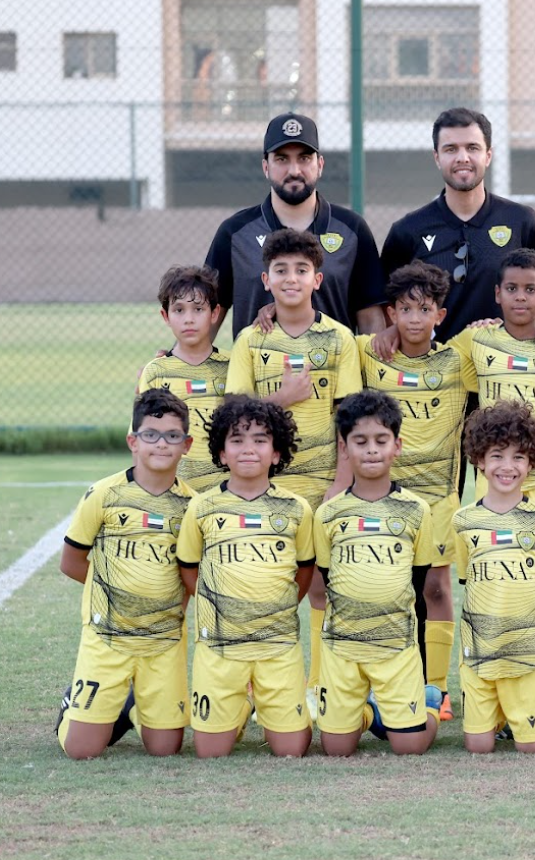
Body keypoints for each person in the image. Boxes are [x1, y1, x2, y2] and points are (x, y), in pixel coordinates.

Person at [225, 228, 362, 710]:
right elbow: (233, 414)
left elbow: (349, 421)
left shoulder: (339, 338)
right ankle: (251, 690)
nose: (290, 278)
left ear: (317, 278)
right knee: (260, 585)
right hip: (266, 489)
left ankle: (320, 686)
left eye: (301, 270)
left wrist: (341, 486)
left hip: (323, 483)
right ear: (265, 279)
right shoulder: (250, 339)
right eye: (280, 270)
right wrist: (279, 400)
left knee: (323, 587)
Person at [448, 248, 535, 714]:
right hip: (499, 483)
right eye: (512, 289)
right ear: (497, 294)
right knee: (503, 582)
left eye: (531, 289)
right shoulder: (476, 342)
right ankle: (504, 690)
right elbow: (428, 354)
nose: (521, 297)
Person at [54, 389, 196, 759]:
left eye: (172, 436)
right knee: (81, 751)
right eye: (150, 434)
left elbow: (191, 575)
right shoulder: (103, 494)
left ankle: (134, 703)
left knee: (165, 750)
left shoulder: (194, 507)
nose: (161, 444)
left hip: (163, 639)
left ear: (187, 445)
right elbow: (71, 562)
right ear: (133, 441)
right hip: (107, 636)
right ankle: (76, 705)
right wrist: (122, 595)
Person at [355, 262, 468, 722]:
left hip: (440, 498)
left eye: (425, 309)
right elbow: (314, 341)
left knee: (437, 588)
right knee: (386, 587)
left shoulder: (460, 358)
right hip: (385, 497)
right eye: (405, 309)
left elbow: (511, 336)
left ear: (440, 314)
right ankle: (375, 685)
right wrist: (265, 311)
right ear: (391, 312)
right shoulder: (369, 353)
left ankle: (436, 690)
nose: (415, 318)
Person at [177, 395, 315, 757]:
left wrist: (270, 608)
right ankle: (241, 707)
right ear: (221, 453)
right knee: (209, 753)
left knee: (292, 750)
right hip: (221, 646)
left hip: (277, 644)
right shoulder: (202, 507)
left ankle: (272, 706)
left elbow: (304, 571)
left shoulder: (296, 509)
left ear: (276, 452)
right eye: (236, 440)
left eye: (260, 439)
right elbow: (189, 568)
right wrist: (220, 606)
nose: (248, 449)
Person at [313, 390, 442, 756]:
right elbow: (326, 580)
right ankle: (367, 711)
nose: (371, 450)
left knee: (411, 748)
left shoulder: (416, 511)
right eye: (361, 441)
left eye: (381, 441)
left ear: (397, 446)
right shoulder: (328, 514)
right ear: (344, 448)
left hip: (395, 647)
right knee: (336, 750)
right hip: (342, 647)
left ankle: (427, 701)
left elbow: (417, 588)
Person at [381, 108, 535, 344]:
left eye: (472, 148)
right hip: (435, 373)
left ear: (488, 155)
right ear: (437, 158)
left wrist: (506, 333)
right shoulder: (407, 231)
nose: (462, 157)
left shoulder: (524, 222)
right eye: (451, 149)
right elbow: (388, 314)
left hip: (502, 371)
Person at [205, 112, 387, 338]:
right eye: (282, 159)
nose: (294, 171)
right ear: (265, 167)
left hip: (334, 372)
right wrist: (175, 361)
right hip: (256, 372)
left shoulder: (352, 230)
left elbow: (371, 318)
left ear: (320, 165)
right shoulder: (234, 233)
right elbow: (207, 315)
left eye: (304, 158)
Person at [451, 399, 535, 754]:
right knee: (478, 747)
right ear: (480, 460)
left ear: (532, 462)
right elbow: (469, 582)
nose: (507, 466)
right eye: (497, 455)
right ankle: (500, 709)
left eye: (518, 457)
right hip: (480, 648)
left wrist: (528, 623)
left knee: (530, 748)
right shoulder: (464, 521)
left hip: (528, 648)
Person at [137, 265, 231, 492]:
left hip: (224, 492)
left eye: (198, 309)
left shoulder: (231, 367)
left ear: (215, 313)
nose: (189, 319)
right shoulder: (156, 372)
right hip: (174, 490)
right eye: (179, 310)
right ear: (165, 316)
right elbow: (142, 438)